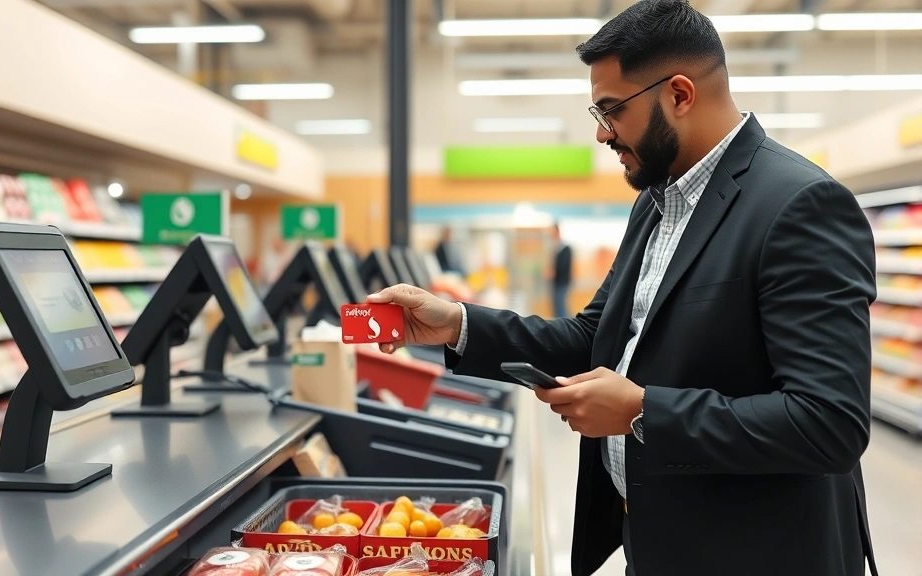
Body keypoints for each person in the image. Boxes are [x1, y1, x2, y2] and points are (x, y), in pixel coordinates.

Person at [366, 1, 879, 575]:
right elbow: (596, 336)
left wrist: (641, 412)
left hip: (756, 554)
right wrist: (458, 324)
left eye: (613, 110)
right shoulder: (656, 204)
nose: (601, 131)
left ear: (679, 95)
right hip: (661, 542)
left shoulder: (799, 204)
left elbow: (828, 422)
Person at [550, 223, 573, 317]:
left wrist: (553, 271)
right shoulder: (554, 247)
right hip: (556, 282)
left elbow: (564, 266)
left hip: (562, 281)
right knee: (557, 306)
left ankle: (566, 328)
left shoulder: (565, 248)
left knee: (561, 307)